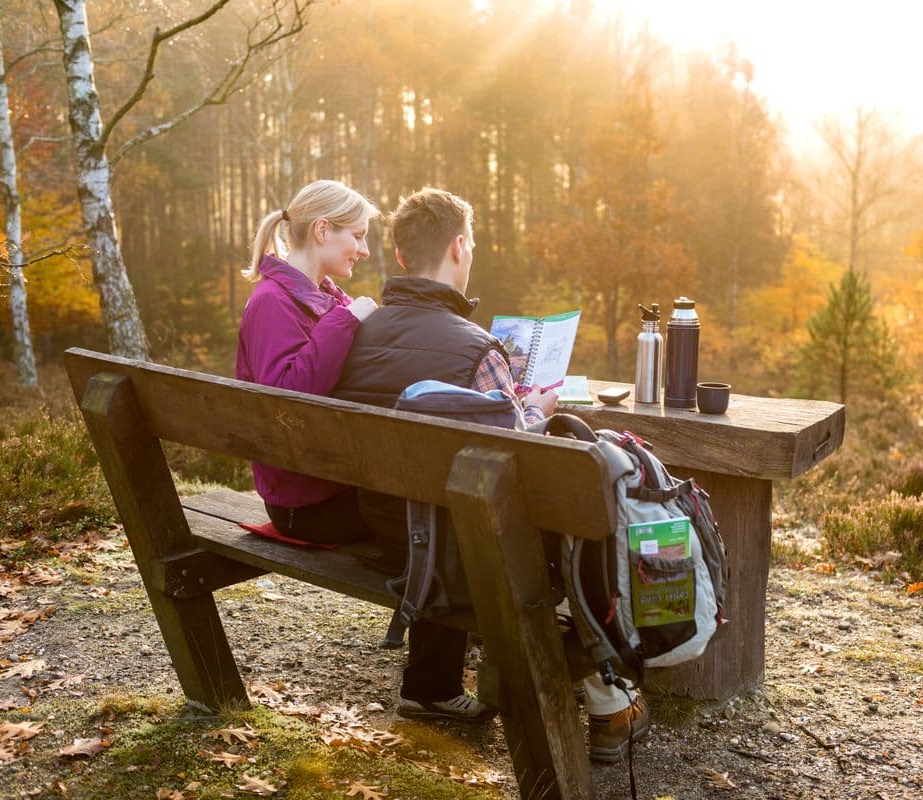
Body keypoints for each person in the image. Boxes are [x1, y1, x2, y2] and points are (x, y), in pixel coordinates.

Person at [333, 187, 650, 761]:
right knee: (549, 522)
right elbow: (517, 459)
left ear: (402, 258)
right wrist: (540, 410)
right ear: (458, 248)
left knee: (440, 492)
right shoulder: (478, 349)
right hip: (451, 545)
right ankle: (608, 703)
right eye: (471, 244)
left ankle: (431, 686)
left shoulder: (358, 332)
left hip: (382, 526)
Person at [236, 179, 381, 543]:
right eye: (358, 235)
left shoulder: (320, 297)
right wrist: (345, 321)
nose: (364, 250)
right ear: (322, 230)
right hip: (304, 506)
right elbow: (287, 398)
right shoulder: (272, 301)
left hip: (331, 484)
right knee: (434, 521)